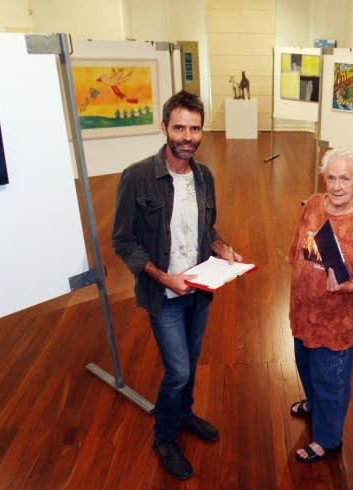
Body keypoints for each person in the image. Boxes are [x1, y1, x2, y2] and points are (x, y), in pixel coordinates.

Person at [111, 90, 242, 480]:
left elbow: (207, 229)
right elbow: (122, 240)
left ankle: (184, 415)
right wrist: (163, 276)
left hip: (199, 290)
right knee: (179, 371)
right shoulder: (137, 177)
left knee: (191, 361)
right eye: (179, 127)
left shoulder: (204, 176)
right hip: (164, 294)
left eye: (195, 128)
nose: (188, 136)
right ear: (164, 127)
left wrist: (221, 246)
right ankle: (164, 436)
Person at [286, 148, 353, 463]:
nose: (337, 185)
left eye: (345, 178)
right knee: (306, 366)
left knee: (331, 379)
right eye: (331, 177)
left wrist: (351, 285)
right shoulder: (314, 203)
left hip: (336, 319)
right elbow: (298, 244)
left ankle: (328, 439)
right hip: (304, 310)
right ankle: (315, 406)